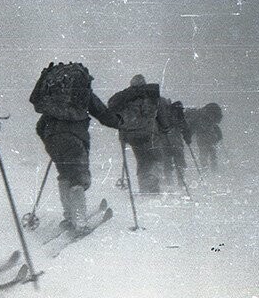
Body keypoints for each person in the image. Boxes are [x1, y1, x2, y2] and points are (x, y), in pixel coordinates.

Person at [30, 62, 119, 235]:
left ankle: (69, 218)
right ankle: (79, 223)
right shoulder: (82, 92)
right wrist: (120, 123)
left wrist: (50, 138)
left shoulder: (52, 96)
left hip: (51, 138)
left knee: (65, 176)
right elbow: (103, 114)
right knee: (78, 178)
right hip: (74, 138)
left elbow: (40, 124)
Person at [108, 74, 171, 194]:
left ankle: (144, 188)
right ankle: (152, 186)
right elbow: (162, 117)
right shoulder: (152, 96)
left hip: (131, 136)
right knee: (155, 159)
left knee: (142, 161)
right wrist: (165, 128)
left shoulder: (124, 98)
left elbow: (112, 112)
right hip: (149, 134)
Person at [159, 99, 192, 187]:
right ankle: (181, 184)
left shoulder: (160, 115)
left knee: (167, 164)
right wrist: (187, 139)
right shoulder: (178, 113)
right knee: (180, 163)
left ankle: (170, 184)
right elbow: (185, 127)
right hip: (176, 142)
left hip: (163, 142)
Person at [184, 103, 223, 171]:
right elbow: (215, 126)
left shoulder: (200, 118)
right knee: (212, 153)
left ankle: (205, 169)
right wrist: (219, 136)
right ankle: (213, 169)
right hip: (210, 137)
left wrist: (188, 136)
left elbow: (194, 127)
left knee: (204, 153)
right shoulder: (208, 118)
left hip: (202, 138)